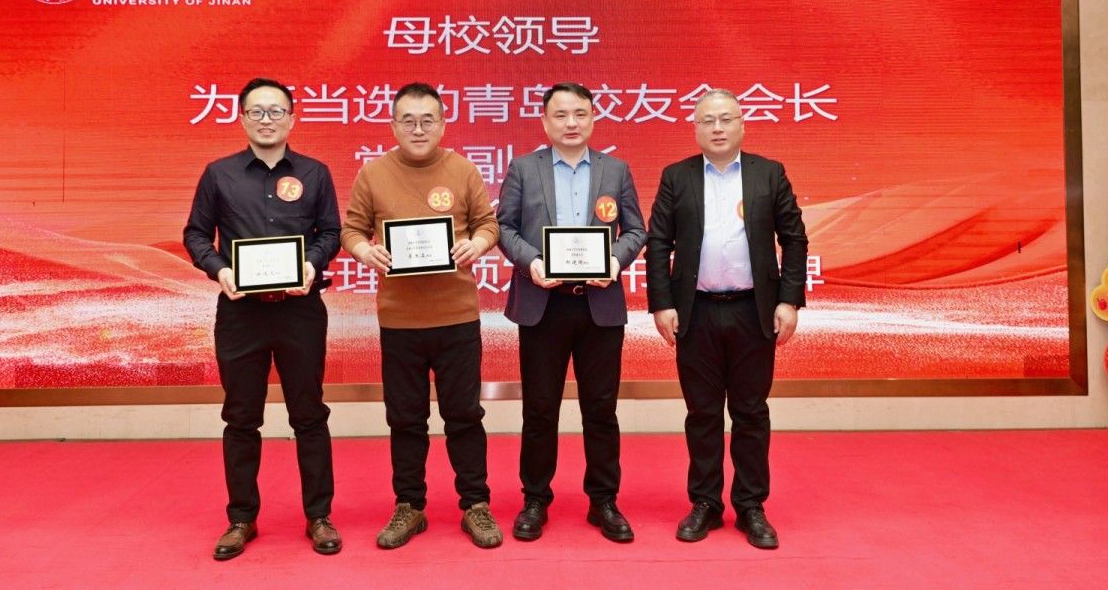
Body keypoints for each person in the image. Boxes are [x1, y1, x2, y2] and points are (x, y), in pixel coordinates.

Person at [183, 77, 343, 560]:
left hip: (300, 310)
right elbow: (195, 235)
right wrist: (220, 270)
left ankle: (319, 516)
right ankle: (241, 518)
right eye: (257, 111)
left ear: (292, 118)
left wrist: (312, 263)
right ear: (243, 118)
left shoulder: (315, 172)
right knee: (241, 417)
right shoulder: (219, 174)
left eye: (276, 111)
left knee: (309, 414)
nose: (267, 120)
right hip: (241, 313)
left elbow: (331, 232)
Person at [341, 82, 503, 550]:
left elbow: (488, 224)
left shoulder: (463, 169)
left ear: (443, 124)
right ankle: (409, 505)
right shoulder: (373, 173)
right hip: (399, 321)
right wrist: (364, 251)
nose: (418, 129)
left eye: (427, 120)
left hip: (457, 317)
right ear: (393, 125)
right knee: (405, 419)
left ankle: (476, 504)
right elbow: (352, 229)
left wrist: (477, 244)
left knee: (464, 415)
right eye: (408, 121)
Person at [645, 88, 807, 550]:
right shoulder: (677, 176)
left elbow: (794, 239)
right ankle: (705, 502)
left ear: (741, 124)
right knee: (702, 412)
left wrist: (789, 301)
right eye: (707, 121)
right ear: (695, 128)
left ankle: (751, 505)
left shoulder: (768, 173)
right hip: (695, 312)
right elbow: (658, 243)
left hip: (753, 311)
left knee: (751, 412)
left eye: (726, 119)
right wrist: (662, 304)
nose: (717, 128)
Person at [496, 82, 647, 543]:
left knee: (600, 409)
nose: (571, 123)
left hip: (599, 304)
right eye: (560, 115)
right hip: (543, 304)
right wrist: (531, 262)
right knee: (540, 409)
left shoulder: (615, 169)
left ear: (593, 118)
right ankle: (535, 499)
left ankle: (604, 500)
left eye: (580, 113)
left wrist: (615, 261)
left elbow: (635, 230)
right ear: (545, 122)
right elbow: (504, 227)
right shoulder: (524, 168)